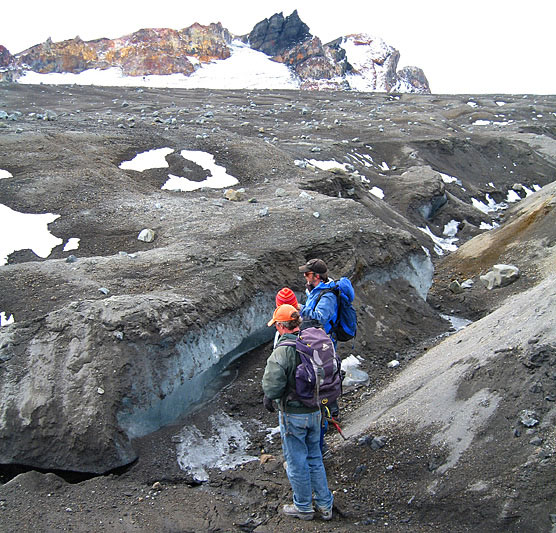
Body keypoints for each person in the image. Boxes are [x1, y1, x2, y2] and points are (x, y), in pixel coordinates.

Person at [262, 304, 334, 521]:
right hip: (315, 410)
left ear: (283, 327)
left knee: (296, 461)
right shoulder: (310, 342)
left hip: (294, 414)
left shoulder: (283, 351)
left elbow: (272, 386)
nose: (277, 329)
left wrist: (271, 397)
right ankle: (325, 505)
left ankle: (303, 507)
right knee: (314, 457)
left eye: (277, 325)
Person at [298, 259, 338, 340]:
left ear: (317, 276)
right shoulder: (315, 290)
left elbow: (320, 318)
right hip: (313, 336)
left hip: (323, 341)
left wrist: (301, 308)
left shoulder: (328, 296)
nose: (304, 275)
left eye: (307, 273)